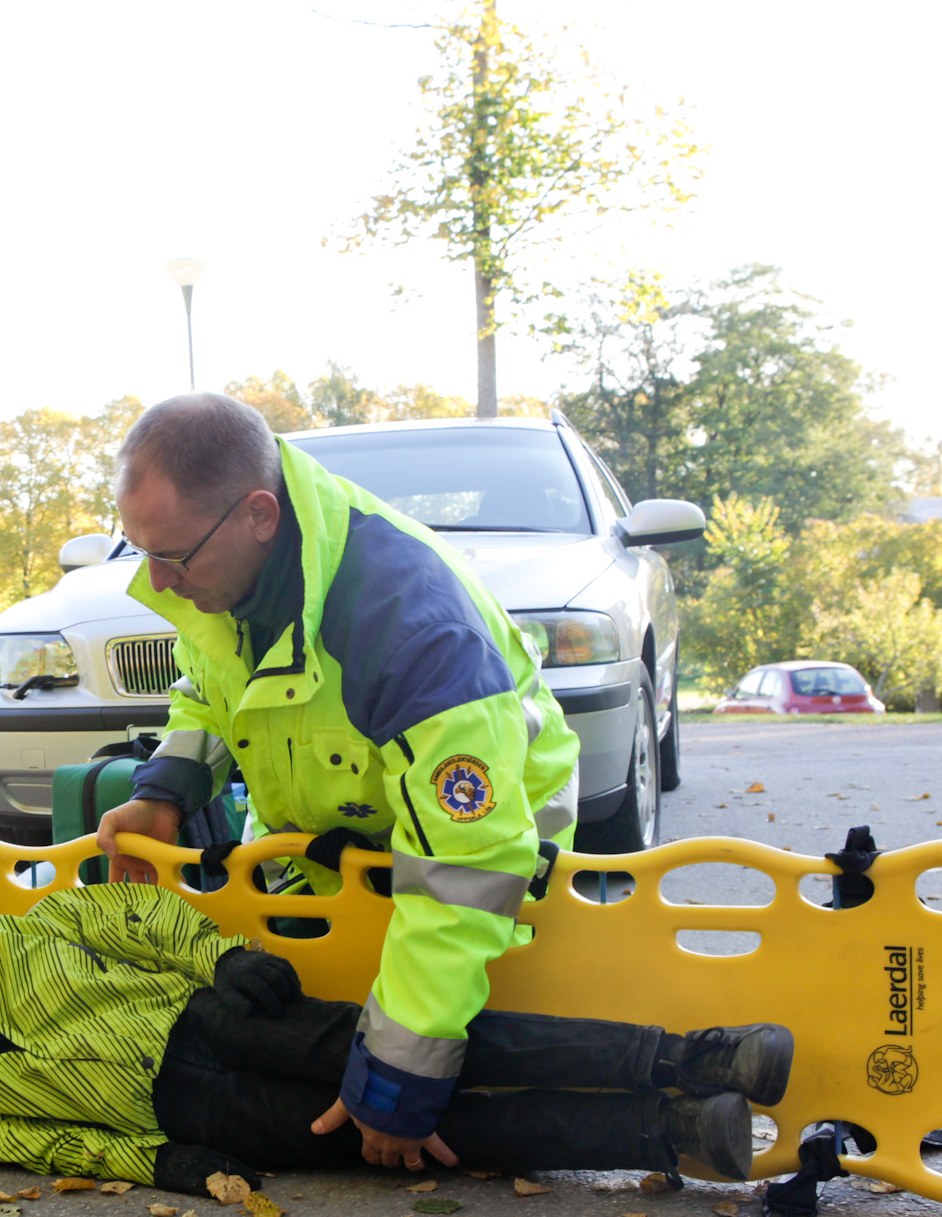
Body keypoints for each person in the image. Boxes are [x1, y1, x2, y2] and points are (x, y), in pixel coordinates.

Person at [94, 394, 586, 1174]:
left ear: (259, 513)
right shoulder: (225, 566)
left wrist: (395, 1087)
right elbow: (212, 685)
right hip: (347, 838)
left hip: (483, 850)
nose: (156, 581)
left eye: (174, 557)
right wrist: (165, 790)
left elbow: (469, 867)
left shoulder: (410, 626)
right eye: (139, 549)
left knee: (457, 1053)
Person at [0, 883, 794, 1191]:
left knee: (439, 1053)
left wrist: (216, 958)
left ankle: (695, 1053)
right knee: (425, 1142)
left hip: (203, 1017)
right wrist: (155, 1161)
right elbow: (34, 1143)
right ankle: (674, 1134)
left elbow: (117, 917)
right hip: (182, 1108)